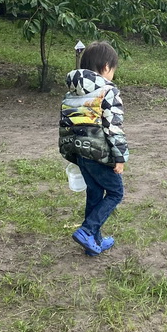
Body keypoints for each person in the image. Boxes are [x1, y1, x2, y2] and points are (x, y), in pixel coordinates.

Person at [58, 41, 128, 256]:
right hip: (99, 154)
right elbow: (113, 127)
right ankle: (87, 231)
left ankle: (94, 242)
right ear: (106, 66)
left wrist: (72, 154)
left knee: (96, 192)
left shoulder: (72, 93)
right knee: (116, 192)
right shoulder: (108, 91)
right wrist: (120, 157)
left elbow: (66, 125)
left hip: (80, 152)